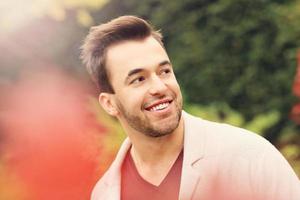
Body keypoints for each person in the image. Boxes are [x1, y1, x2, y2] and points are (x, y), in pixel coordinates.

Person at [81, 15, 300, 200]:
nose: (159, 87)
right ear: (109, 103)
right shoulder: (104, 194)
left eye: (164, 71)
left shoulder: (249, 157)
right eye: (138, 79)